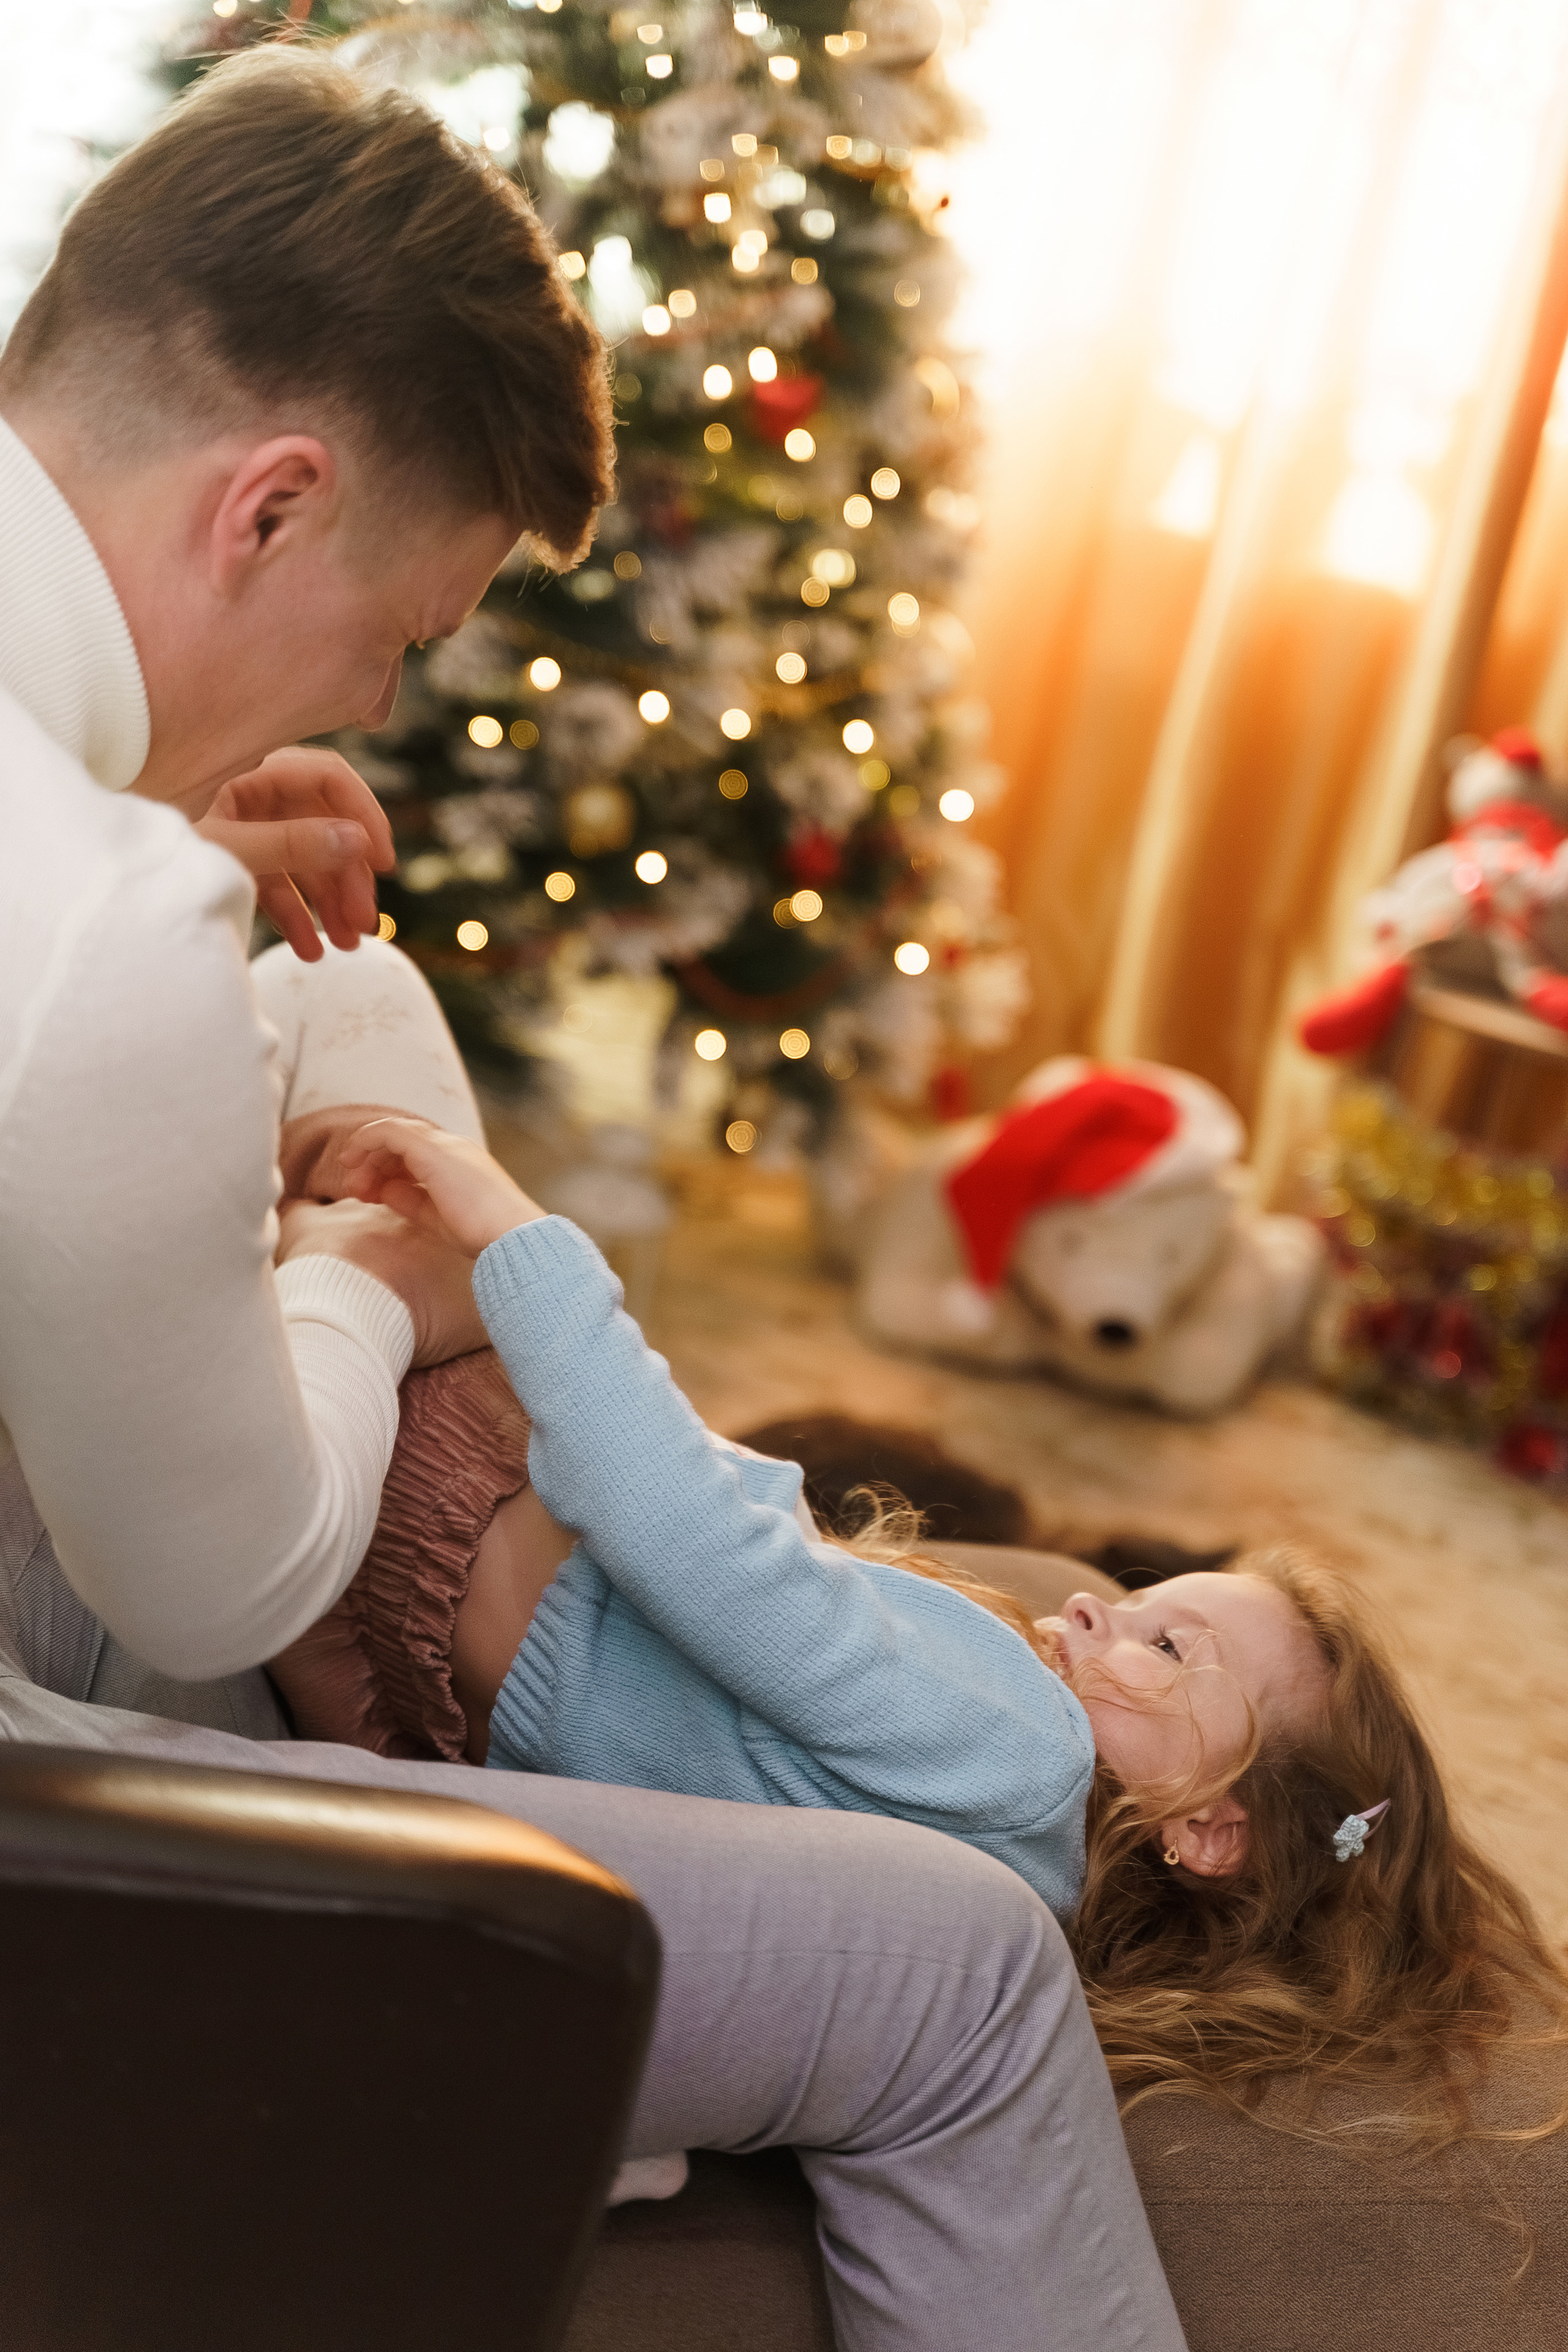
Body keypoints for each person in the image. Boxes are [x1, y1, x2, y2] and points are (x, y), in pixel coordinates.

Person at [0, 45, 1190, 2352]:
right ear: (269, 507)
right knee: (956, 1972)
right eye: (409, 625)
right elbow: (224, 1560)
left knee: (347, 1024)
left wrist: (183, 880)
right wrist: (359, 1273)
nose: (378, 690)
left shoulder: (93, 877)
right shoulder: (85, 917)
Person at [285, 1114, 1568, 2163]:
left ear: (1207, 1827)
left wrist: (514, 1224)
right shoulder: (1009, 1905)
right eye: (1138, 1600)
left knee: (354, 1158)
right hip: (416, 1611)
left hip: (452, 1472)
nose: (1083, 1604)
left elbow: (697, 1543)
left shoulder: (1023, 1739)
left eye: (1165, 1650)